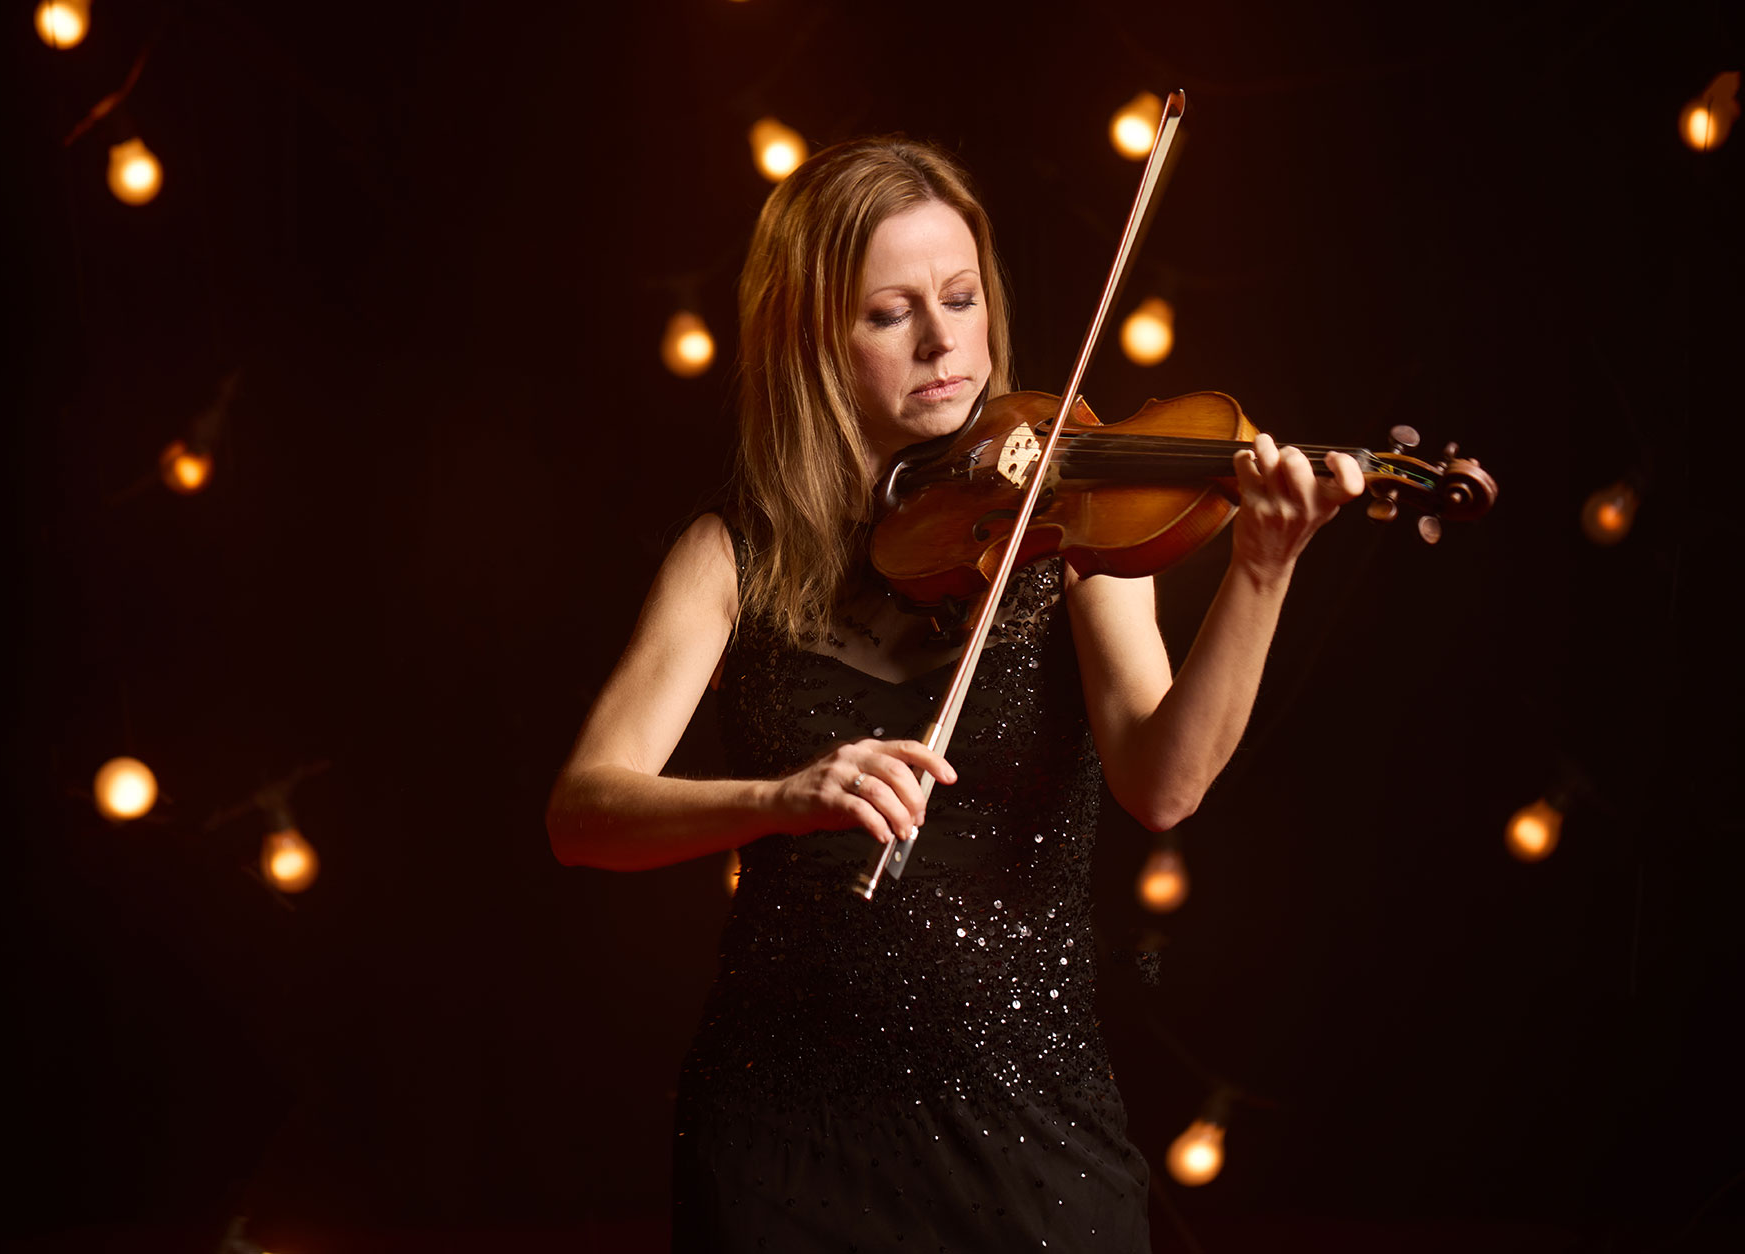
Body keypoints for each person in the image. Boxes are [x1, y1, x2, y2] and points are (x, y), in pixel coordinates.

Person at [545, 136, 1362, 1252]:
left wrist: (1261, 572)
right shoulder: (732, 555)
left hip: (1032, 1134)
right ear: (810, 343)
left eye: (962, 299)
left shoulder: (1069, 521)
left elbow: (1164, 785)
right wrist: (781, 799)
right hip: (782, 1138)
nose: (943, 342)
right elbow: (583, 813)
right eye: (891, 314)